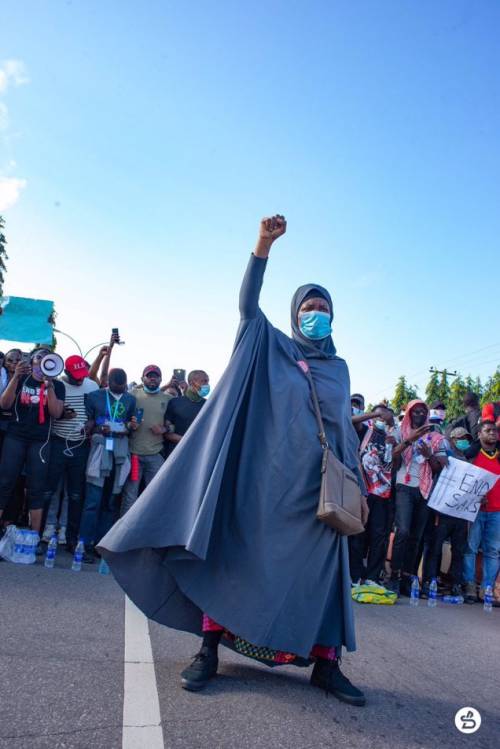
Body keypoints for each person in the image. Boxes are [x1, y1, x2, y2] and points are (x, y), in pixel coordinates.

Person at [98, 215, 368, 707]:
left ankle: (327, 667)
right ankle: (207, 652)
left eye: (323, 308)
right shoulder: (272, 346)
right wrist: (262, 246)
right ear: (293, 315)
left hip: (322, 493)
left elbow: (341, 432)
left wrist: (356, 483)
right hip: (264, 482)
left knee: (323, 576)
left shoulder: (339, 367)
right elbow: (247, 306)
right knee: (232, 559)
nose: (316, 314)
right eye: (308, 308)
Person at [0, 348, 65, 534]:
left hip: (40, 441)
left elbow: (56, 413)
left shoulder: (57, 386)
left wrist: (49, 385)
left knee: (36, 488)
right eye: (39, 357)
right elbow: (4, 404)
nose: (43, 361)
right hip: (16, 436)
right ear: (32, 361)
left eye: (47, 358)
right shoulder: (22, 378)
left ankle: (34, 536)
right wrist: (15, 377)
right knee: (5, 483)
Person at [386, 400, 447, 596]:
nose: (419, 414)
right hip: (404, 485)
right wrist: (410, 440)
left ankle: (407, 577)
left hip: (425, 489)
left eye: (423, 411)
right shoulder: (400, 432)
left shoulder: (436, 437)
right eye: (415, 411)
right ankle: (393, 576)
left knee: (416, 536)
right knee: (402, 531)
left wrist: (430, 455)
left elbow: (440, 468)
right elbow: (393, 456)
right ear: (410, 414)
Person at [78, 368, 136, 561]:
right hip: (100, 449)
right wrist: (94, 427)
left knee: (111, 503)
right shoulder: (95, 396)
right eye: (116, 385)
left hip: (119, 451)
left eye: (123, 386)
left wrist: (130, 426)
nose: (120, 389)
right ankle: (84, 543)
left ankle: (101, 544)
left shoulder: (130, 399)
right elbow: (89, 421)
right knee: (93, 500)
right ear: (108, 382)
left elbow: (131, 423)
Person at [42, 355, 99, 550]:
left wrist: (90, 425)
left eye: (83, 374)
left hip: (80, 445)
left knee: (75, 493)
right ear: (66, 372)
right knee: (51, 489)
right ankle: (47, 528)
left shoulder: (92, 386)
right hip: (58, 441)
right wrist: (61, 414)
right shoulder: (57, 385)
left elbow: (95, 413)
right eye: (76, 375)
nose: (81, 378)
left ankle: (69, 534)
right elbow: (48, 411)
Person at [349, 404, 397, 585]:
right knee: (358, 534)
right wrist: (374, 414)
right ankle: (354, 576)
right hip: (362, 491)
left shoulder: (391, 436)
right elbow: (350, 421)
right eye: (379, 415)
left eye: (386, 416)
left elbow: (394, 465)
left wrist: (395, 446)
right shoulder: (364, 430)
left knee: (379, 537)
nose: (382, 419)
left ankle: (372, 577)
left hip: (383, 495)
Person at [422, 427, 471, 598]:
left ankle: (455, 584)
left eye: (466, 438)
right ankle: (429, 581)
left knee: (458, 550)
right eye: (460, 438)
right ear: (452, 439)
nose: (464, 440)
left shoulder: (467, 460)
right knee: (435, 547)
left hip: (460, 513)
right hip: (441, 510)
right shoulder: (444, 456)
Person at [120, 365, 173, 516]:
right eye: (149, 375)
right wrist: (130, 425)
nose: (152, 378)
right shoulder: (131, 395)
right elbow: (119, 418)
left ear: (161, 379)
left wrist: (165, 429)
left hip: (155, 455)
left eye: (155, 376)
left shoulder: (168, 399)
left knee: (156, 496)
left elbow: (174, 424)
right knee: (130, 496)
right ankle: (123, 533)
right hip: (134, 455)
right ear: (143, 378)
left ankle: (150, 533)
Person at [463, 420, 500, 603]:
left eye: (494, 430)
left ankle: (487, 589)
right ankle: (470, 585)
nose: (492, 433)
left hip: (497, 511)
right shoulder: (472, 455)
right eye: (488, 430)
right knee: (470, 548)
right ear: (480, 435)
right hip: (475, 509)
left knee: (492, 551)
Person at [163, 371, 210, 452]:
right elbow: (167, 433)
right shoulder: (174, 402)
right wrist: (188, 441)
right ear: (192, 382)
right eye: (204, 381)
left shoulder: (208, 405)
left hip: (200, 453)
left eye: (208, 381)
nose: (207, 385)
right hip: (176, 453)